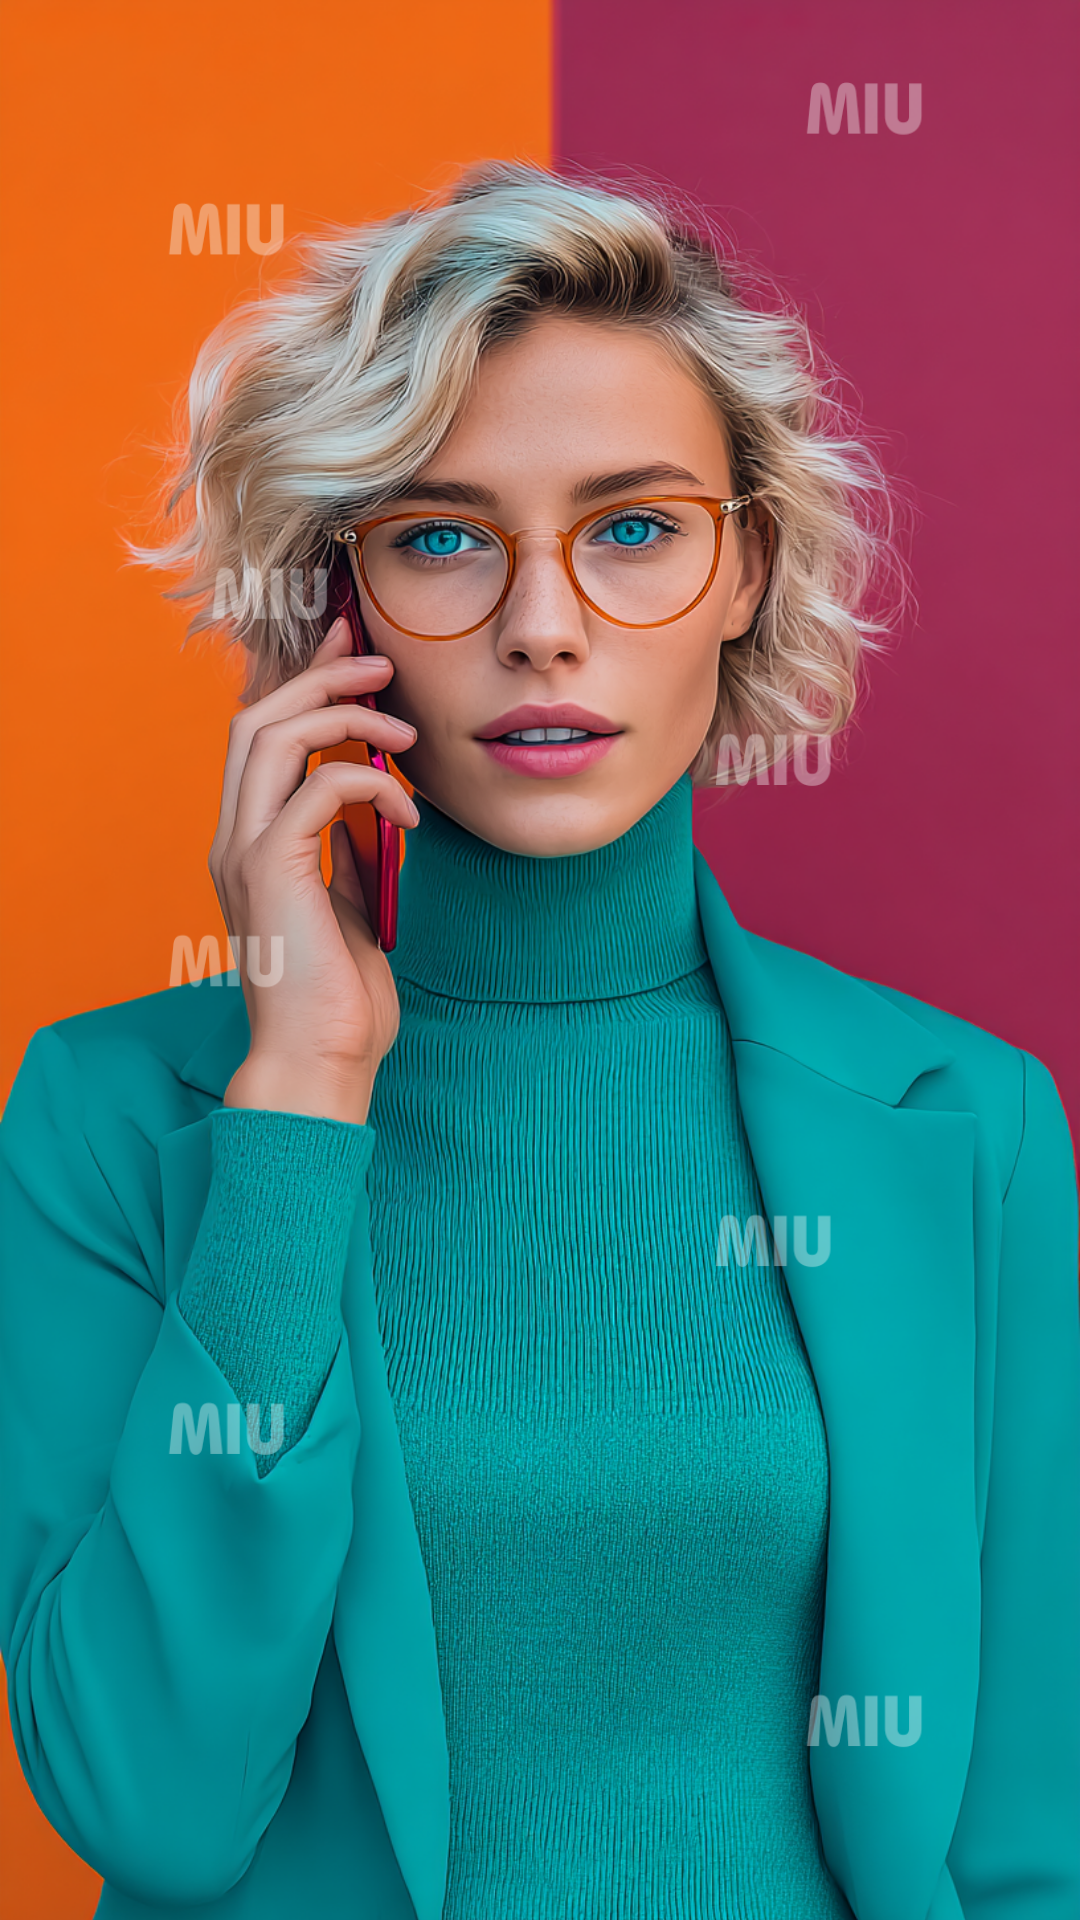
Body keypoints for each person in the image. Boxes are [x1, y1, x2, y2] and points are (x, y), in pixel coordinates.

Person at [1, 163, 1077, 1920]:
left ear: (747, 568)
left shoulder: (968, 1125)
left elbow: (1025, 1836)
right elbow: (155, 1811)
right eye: (441, 537)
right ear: (338, 608)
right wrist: (299, 1102)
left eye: (635, 528)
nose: (543, 623)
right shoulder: (113, 1118)